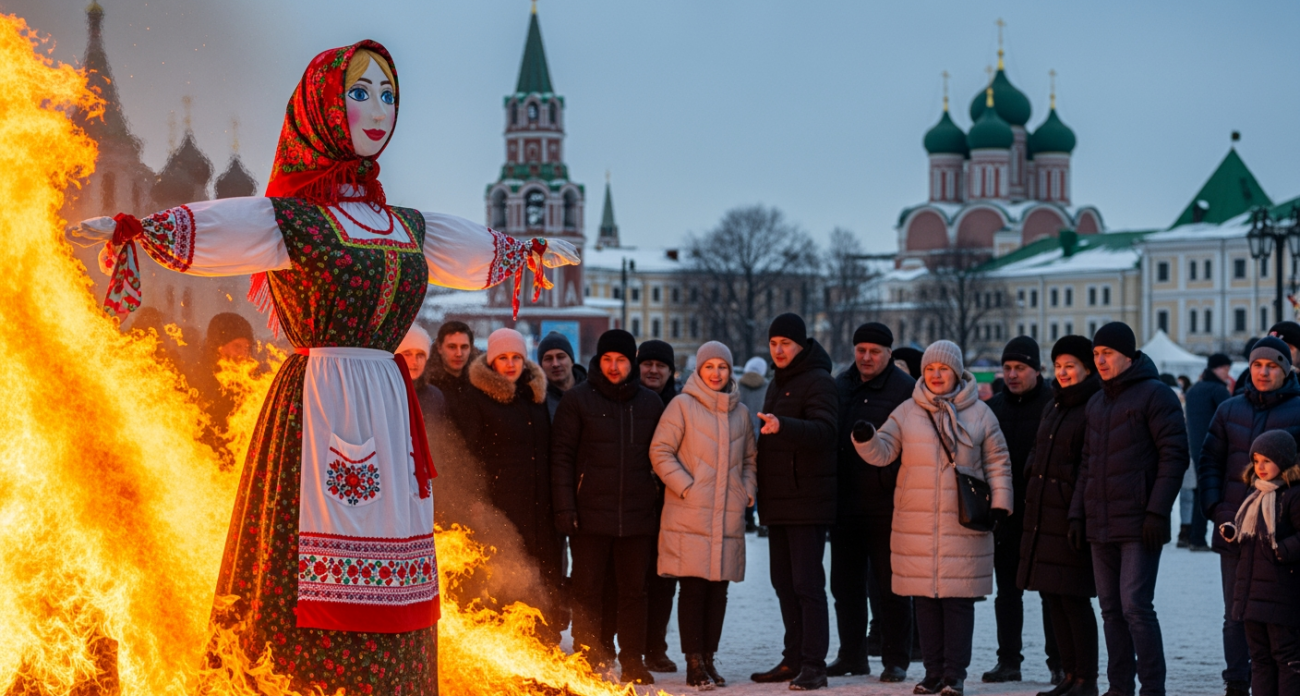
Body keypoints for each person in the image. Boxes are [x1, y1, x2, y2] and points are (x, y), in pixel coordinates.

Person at [72, 41, 579, 694]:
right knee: (308, 556)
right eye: (360, 93)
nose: (378, 110)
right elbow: (220, 228)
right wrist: (135, 229)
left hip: (390, 411)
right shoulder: (293, 221)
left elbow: (470, 246)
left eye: (389, 95)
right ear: (322, 109)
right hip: (318, 402)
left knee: (395, 563)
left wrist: (529, 250)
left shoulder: (405, 227)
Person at [851, 339, 1013, 696]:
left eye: (942, 369)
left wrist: (1001, 503)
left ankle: (954, 674)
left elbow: (998, 461)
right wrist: (865, 439)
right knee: (924, 601)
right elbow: (884, 451)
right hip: (917, 522)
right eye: (929, 369)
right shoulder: (908, 411)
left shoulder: (981, 414)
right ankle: (933, 673)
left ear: (956, 372)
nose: (936, 375)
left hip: (963, 522)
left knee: (957, 602)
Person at [1069, 322, 1188, 696]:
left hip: (1139, 522)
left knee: (1135, 606)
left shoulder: (1156, 395)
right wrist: (1077, 512)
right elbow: (1087, 463)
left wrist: (1156, 512)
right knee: (1110, 609)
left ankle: (1151, 687)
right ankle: (1119, 686)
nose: (1100, 361)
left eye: (1108, 353)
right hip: (1100, 521)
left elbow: (1174, 456)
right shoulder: (1097, 402)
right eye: (1096, 354)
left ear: (1128, 355)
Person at [551, 329, 665, 684]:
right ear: (598, 361)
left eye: (621, 360)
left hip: (637, 515)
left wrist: (657, 505)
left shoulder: (650, 403)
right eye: (607, 359)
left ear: (631, 363)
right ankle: (587, 655)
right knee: (587, 591)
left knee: (634, 591)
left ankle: (632, 658)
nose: (614, 367)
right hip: (588, 515)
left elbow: (662, 459)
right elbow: (562, 457)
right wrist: (565, 508)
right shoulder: (578, 400)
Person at [650, 341, 758, 689]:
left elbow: (749, 460)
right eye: (709, 366)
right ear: (699, 369)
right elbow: (660, 451)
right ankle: (693, 661)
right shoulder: (682, 406)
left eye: (722, 367)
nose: (716, 373)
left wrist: (746, 489)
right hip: (689, 513)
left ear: (730, 371)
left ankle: (709, 658)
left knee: (718, 592)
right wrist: (686, 486)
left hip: (726, 514)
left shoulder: (739, 413)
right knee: (693, 590)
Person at [1198, 337, 1300, 696]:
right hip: (1235, 530)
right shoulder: (1228, 409)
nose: (1263, 371)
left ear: (1285, 370)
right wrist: (1220, 512)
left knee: (1279, 619)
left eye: (1272, 365)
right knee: (1236, 613)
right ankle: (1238, 683)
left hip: (1282, 536)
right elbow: (1209, 463)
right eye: (1257, 365)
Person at [452, 328, 562, 636]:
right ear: (491, 362)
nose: (510, 364)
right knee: (506, 581)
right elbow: (468, 457)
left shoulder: (535, 397)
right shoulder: (477, 399)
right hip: (502, 510)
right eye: (503, 358)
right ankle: (510, 650)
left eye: (516, 357)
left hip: (541, 509)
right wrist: (477, 504)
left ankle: (545, 645)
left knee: (544, 580)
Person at [750, 313, 839, 690]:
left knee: (806, 584)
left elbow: (826, 431)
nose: (779, 349)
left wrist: (784, 426)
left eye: (786, 343)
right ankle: (794, 658)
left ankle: (814, 665)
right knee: (783, 583)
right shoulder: (778, 382)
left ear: (802, 345)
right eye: (773, 343)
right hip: (779, 500)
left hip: (807, 500)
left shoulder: (819, 381)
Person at [829, 322, 915, 683]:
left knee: (891, 587)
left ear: (889, 354)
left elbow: (913, 446)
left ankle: (896, 659)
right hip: (845, 503)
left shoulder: (905, 390)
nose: (866, 357)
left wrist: (889, 481)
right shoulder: (841, 385)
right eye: (861, 350)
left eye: (874, 351)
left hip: (886, 505)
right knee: (844, 586)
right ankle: (852, 654)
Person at [1018, 336, 1102, 696]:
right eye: (1058, 366)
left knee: (1074, 598)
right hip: (1043, 513)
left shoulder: (1093, 406)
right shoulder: (1055, 404)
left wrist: (1076, 512)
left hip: (1069, 516)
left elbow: (1090, 464)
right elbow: (1039, 449)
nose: (1063, 372)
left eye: (1070, 365)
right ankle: (1070, 675)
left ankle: (1087, 678)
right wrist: (1031, 470)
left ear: (1087, 368)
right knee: (1053, 597)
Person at [983, 336, 1062, 686]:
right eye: (1008, 368)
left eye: (1020, 368)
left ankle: (1059, 663)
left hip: (1045, 514)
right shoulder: (995, 406)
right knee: (1008, 592)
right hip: (1007, 515)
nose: (1012, 374)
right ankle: (1008, 661)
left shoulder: (1054, 404)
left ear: (1037, 369)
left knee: (1052, 593)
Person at [1225, 430, 1300, 696]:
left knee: (1286, 657)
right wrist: (1233, 532)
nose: (1261, 467)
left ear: (1284, 461)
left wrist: (1282, 550)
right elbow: (1250, 533)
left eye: (1267, 460)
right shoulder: (1254, 496)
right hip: (1251, 595)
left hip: (1281, 595)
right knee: (1258, 658)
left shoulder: (1293, 495)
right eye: (1256, 461)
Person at [636, 339, 680, 673]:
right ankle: (631, 648)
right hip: (634, 504)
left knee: (664, 581)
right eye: (647, 364)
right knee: (631, 581)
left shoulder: (680, 405)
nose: (653, 371)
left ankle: (657, 648)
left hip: (672, 507)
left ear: (670, 371)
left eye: (660, 366)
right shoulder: (630, 400)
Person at [1181, 354, 1232, 551]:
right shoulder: (1218, 390)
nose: (1227, 372)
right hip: (1216, 448)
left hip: (1195, 447)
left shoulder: (1194, 390)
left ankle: (1196, 536)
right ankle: (1206, 538)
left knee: (1199, 492)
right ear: (1215, 369)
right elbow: (1230, 417)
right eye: (1224, 368)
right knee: (1217, 492)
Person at [737, 356, 769, 533]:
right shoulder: (767, 388)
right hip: (761, 439)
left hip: (740, 440)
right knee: (761, 482)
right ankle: (761, 519)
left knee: (744, 481)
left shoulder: (737, 386)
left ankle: (747, 517)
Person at [538, 331, 585, 419]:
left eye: (561, 357)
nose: (555, 364)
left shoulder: (591, 393)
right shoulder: (537, 401)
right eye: (548, 359)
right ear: (541, 366)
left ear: (572, 361)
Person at [429, 321, 475, 400]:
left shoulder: (480, 384)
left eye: (464, 347)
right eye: (452, 347)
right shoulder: (428, 385)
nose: (459, 354)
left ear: (471, 348)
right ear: (439, 348)